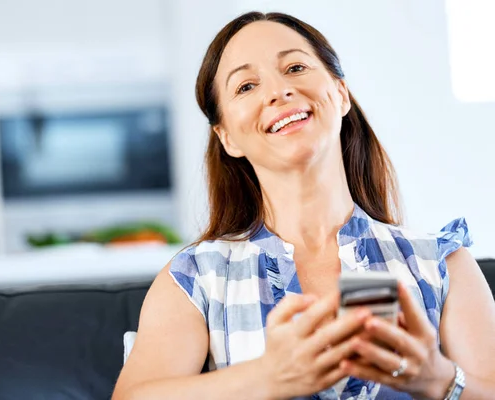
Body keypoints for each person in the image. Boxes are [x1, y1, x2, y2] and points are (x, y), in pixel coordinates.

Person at [112, 11, 495, 400]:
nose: (278, 91)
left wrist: (437, 379)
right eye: (246, 86)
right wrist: (268, 378)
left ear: (341, 93)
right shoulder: (196, 278)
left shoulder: (441, 264)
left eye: (295, 67)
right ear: (227, 137)